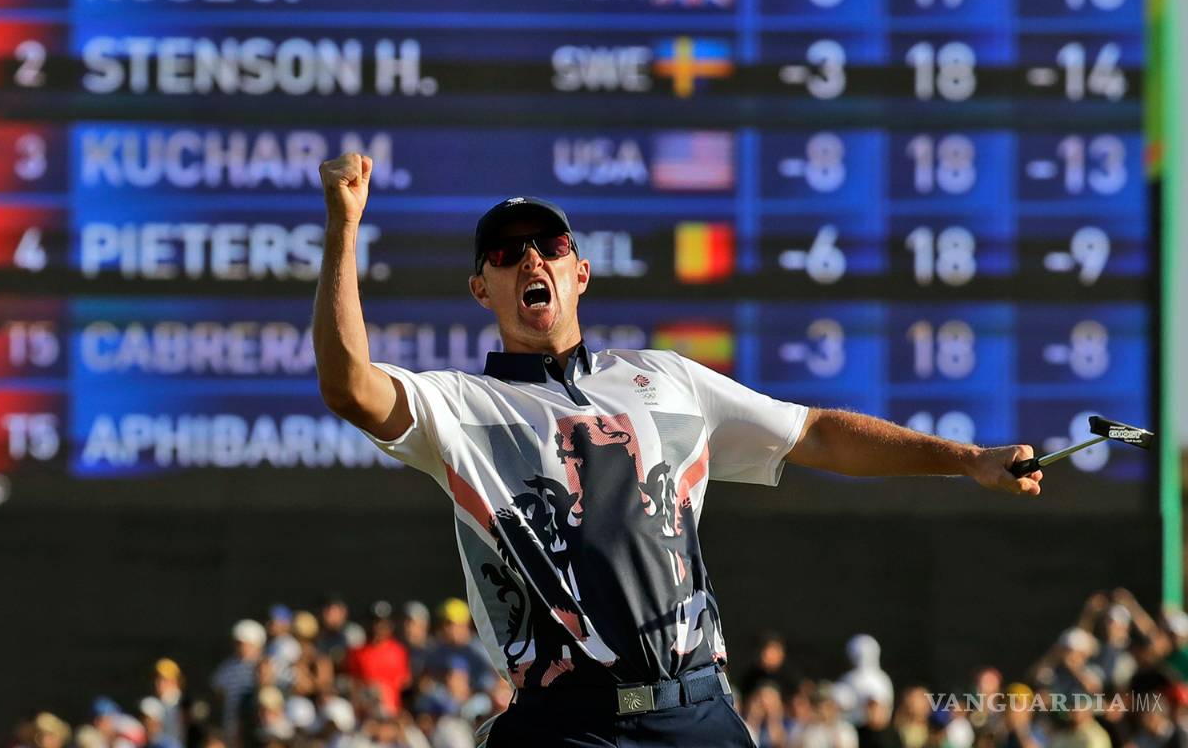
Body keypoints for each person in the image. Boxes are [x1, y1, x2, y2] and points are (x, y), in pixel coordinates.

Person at [313, 153, 1045, 747]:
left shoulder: (665, 381)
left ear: (579, 274)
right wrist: (345, 228)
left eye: (552, 245)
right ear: (483, 288)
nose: (531, 256)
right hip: (565, 721)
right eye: (507, 253)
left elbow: (813, 432)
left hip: (693, 708)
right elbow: (351, 387)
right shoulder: (463, 407)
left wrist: (965, 458)